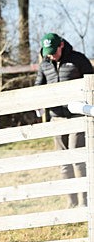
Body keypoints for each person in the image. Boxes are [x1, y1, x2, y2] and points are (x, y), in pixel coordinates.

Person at [35, 32, 92, 207]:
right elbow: (38, 85)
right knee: (63, 162)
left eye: (54, 51)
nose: (51, 55)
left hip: (77, 115)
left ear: (61, 45)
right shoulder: (44, 65)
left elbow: (91, 82)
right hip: (56, 118)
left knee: (78, 159)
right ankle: (71, 202)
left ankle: (85, 202)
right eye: (48, 52)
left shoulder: (78, 59)